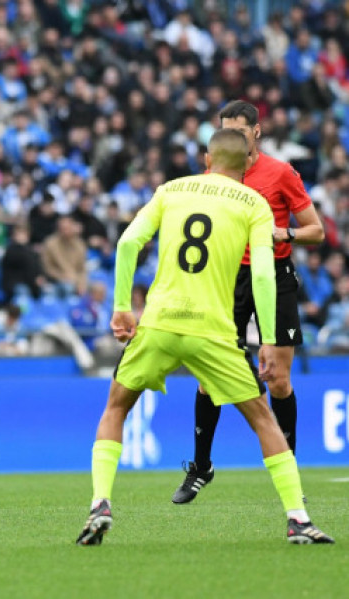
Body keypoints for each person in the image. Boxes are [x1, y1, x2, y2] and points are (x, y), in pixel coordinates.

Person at [76, 129, 333, 546]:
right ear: (246, 165)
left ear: (207, 159)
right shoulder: (255, 203)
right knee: (263, 418)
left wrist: (122, 306)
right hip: (212, 331)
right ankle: (298, 519)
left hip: (158, 324)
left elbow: (127, 243)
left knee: (116, 408)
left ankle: (100, 504)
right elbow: (264, 275)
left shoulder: (171, 190)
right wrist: (267, 338)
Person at [172, 100, 325, 504]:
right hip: (226, 278)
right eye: (225, 132)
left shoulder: (280, 173)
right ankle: (201, 467)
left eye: (239, 132)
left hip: (273, 275)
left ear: (256, 131)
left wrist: (281, 234)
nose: (231, 139)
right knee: (208, 378)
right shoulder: (214, 173)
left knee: (278, 378)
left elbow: (316, 230)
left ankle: (288, 473)